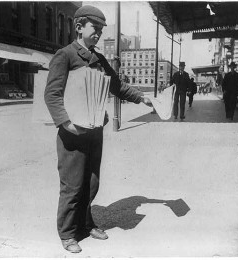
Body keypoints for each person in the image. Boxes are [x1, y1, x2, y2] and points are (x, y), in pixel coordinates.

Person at [44, 5, 150, 254]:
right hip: (72, 133)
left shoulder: (99, 59)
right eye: (96, 28)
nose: (99, 34)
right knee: (72, 185)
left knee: (91, 183)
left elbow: (117, 86)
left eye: (102, 30)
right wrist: (66, 124)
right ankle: (68, 233)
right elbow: (52, 94)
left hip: (93, 131)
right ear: (79, 27)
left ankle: (85, 224)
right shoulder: (65, 55)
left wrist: (141, 98)